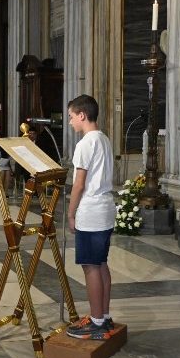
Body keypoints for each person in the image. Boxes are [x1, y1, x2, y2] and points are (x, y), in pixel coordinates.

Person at [64, 95, 116, 340]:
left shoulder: (85, 143)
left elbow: (78, 185)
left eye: (72, 117)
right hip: (105, 208)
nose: (71, 122)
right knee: (101, 264)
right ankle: (104, 316)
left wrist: (71, 213)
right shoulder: (103, 139)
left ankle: (95, 323)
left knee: (91, 268)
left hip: (91, 210)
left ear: (82, 115)